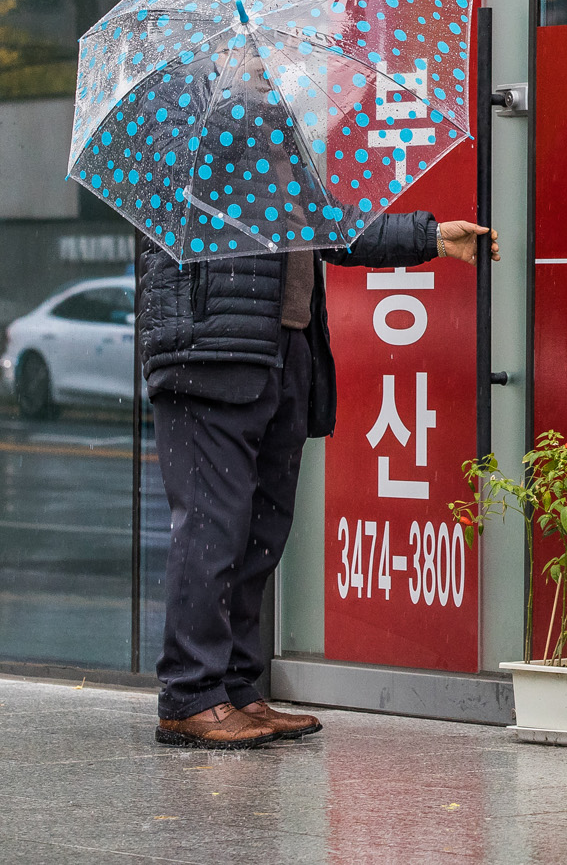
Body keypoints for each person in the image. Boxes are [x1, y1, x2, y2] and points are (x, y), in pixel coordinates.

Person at [135, 210, 495, 749]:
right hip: (210, 346)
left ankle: (233, 683)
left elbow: (328, 225)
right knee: (213, 526)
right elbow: (271, 215)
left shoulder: (284, 142)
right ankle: (190, 693)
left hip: (281, 343)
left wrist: (430, 237)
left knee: (260, 531)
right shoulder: (195, 136)